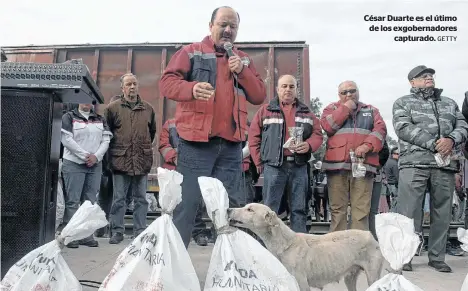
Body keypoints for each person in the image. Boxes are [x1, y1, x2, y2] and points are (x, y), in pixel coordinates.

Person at [159, 6, 266, 248]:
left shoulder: (243, 60)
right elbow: (166, 83)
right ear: (211, 26)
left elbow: (259, 95)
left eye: (233, 27)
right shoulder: (191, 52)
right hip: (196, 145)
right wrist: (191, 89)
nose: (228, 30)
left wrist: (244, 72)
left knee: (230, 210)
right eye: (223, 25)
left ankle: (229, 270)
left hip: (230, 148)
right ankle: (175, 271)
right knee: (186, 207)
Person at [393, 65, 468, 272]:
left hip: (444, 165)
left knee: (442, 213)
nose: (429, 78)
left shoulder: (449, 103)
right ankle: (405, 256)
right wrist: (436, 143)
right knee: (408, 213)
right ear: (412, 82)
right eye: (423, 76)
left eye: (431, 76)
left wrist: (452, 140)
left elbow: (463, 126)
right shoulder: (403, 102)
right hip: (413, 163)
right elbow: (403, 128)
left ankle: (437, 257)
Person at [249, 75, 323, 233]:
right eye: (284, 86)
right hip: (274, 167)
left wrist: (309, 145)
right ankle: (266, 247)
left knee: (299, 209)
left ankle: (299, 248)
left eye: (291, 86)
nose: (287, 90)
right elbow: (254, 136)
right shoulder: (265, 111)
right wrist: (258, 162)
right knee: (269, 210)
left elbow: (318, 134)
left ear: (296, 90)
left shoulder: (307, 113)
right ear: (277, 89)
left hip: (299, 167)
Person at [320, 80, 387, 232]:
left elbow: (381, 131)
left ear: (358, 91)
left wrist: (367, 146)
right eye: (344, 92)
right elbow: (328, 127)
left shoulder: (371, 110)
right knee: (337, 211)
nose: (349, 94)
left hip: (364, 167)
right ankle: (337, 250)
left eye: (352, 91)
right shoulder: (331, 109)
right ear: (339, 95)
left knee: (361, 212)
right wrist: (345, 109)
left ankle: (358, 251)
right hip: (337, 168)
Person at [105, 73, 157, 244]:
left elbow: (152, 133)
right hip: (121, 160)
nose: (132, 87)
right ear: (122, 88)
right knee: (119, 198)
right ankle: (117, 232)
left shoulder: (148, 109)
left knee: (141, 198)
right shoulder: (112, 109)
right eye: (129, 84)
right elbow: (107, 134)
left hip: (141, 160)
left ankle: (140, 231)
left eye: (135, 83)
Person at [61, 103, 112, 248]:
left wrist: (96, 156)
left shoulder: (100, 119)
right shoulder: (69, 117)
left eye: (89, 100)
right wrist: (85, 156)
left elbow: (106, 140)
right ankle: (71, 236)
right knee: (73, 201)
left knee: (89, 202)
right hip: (73, 163)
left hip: (95, 165)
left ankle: (86, 236)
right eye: (83, 100)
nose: (86, 102)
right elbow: (66, 140)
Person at [158, 118, 210, 246]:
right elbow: (164, 144)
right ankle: (171, 234)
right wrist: (175, 158)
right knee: (172, 205)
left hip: (192, 168)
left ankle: (198, 232)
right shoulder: (170, 124)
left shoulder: (199, 122)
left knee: (193, 202)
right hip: (174, 170)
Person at [369, 140, 389, 241]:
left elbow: (385, 151)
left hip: (375, 174)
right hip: (362, 173)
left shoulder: (379, 130)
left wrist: (377, 165)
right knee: (363, 210)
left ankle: (372, 237)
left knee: (372, 210)